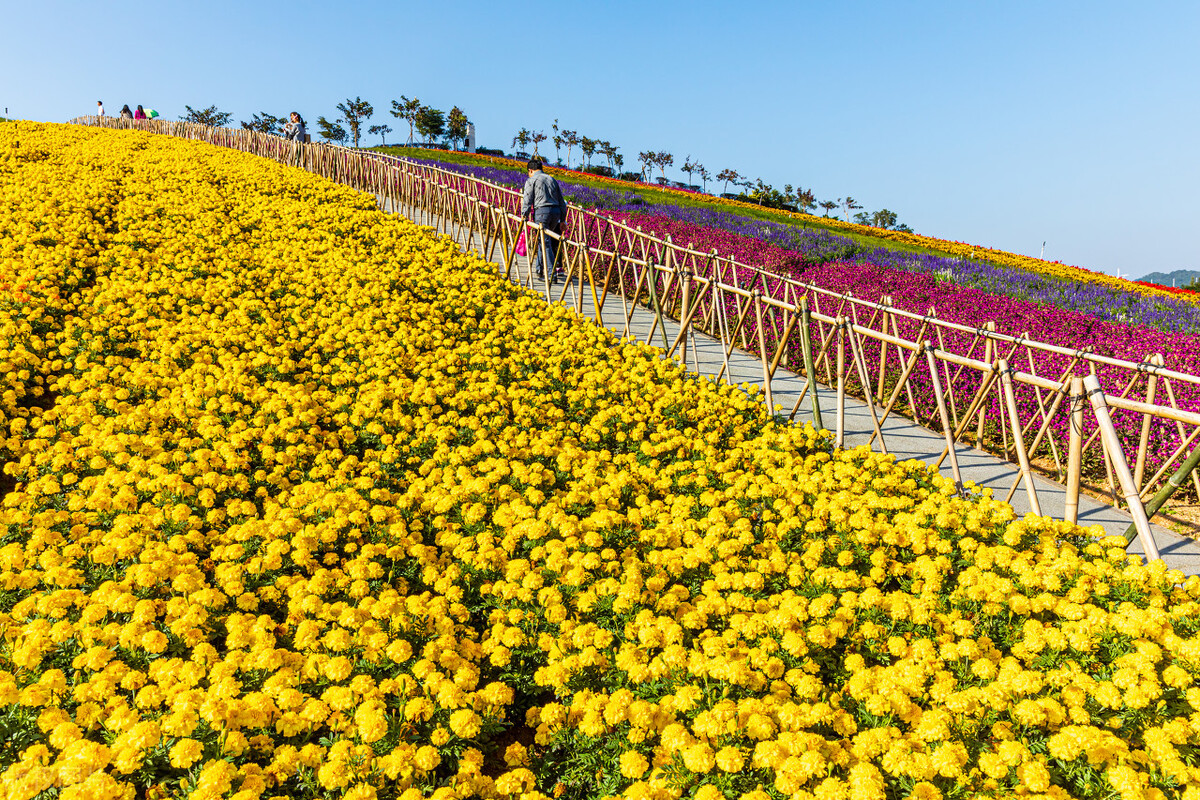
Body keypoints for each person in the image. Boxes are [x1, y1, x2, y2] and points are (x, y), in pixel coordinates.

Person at [520, 157, 568, 283]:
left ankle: (551, 274)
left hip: (542, 212)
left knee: (545, 242)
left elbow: (527, 199)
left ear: (530, 170)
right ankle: (539, 269)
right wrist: (562, 220)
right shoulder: (551, 179)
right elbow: (562, 202)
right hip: (556, 212)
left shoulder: (532, 180)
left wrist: (524, 216)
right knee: (543, 240)